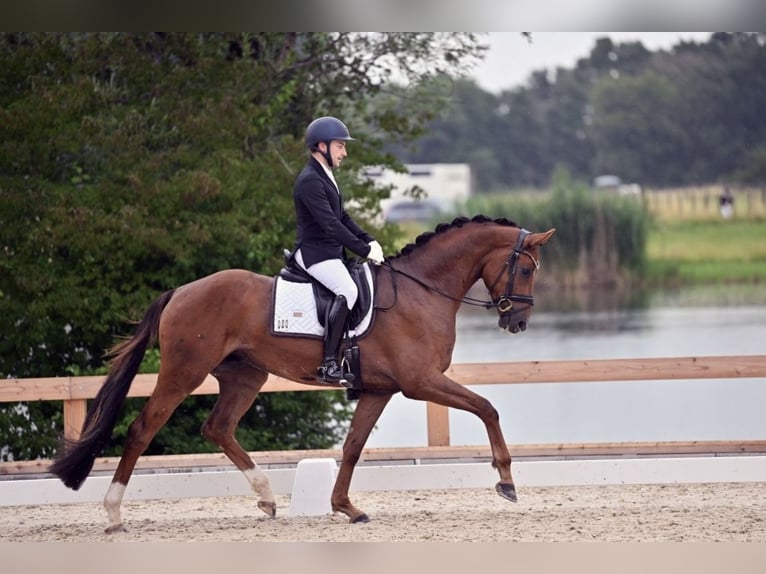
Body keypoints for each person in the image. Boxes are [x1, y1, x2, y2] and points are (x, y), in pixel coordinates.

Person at [292, 116, 385, 383]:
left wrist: (369, 239)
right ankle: (329, 363)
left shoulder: (325, 175)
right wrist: (362, 250)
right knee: (348, 290)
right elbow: (331, 226)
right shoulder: (310, 180)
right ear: (321, 146)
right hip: (315, 254)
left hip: (329, 253)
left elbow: (341, 216)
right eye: (340, 146)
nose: (344, 152)